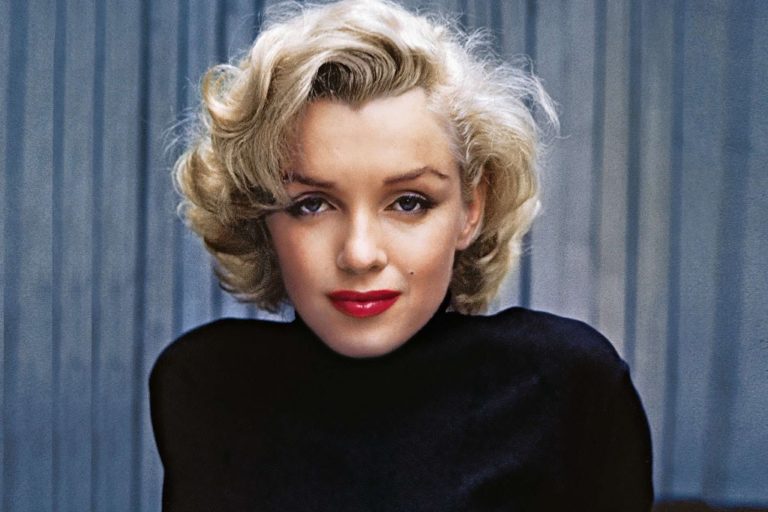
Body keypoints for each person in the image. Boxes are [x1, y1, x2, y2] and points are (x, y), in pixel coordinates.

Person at [149, 0, 653, 510]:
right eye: (312, 204)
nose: (360, 254)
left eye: (409, 202)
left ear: (471, 208)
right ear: (259, 215)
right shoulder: (206, 386)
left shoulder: (565, 386)